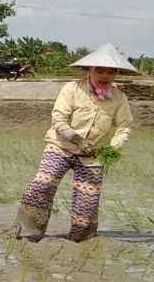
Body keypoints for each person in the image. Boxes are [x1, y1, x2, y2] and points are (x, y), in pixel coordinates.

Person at [14, 44, 137, 243]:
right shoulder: (72, 89)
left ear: (117, 73)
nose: (105, 76)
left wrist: (113, 148)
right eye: (100, 71)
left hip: (93, 155)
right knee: (43, 185)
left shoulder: (119, 98)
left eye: (110, 72)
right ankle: (28, 231)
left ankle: (81, 239)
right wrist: (78, 140)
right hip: (61, 147)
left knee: (86, 207)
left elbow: (124, 127)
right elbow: (59, 120)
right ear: (90, 69)